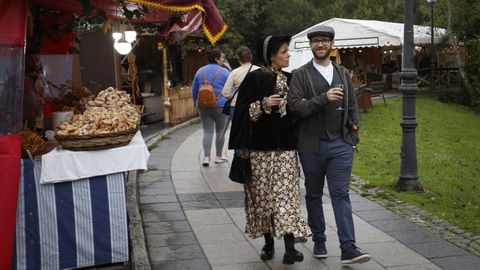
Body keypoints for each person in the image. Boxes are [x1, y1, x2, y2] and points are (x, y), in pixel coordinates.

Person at [287, 25, 370, 265]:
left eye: (324, 41)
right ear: (311, 46)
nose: (320, 45)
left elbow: (353, 107)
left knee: (340, 194)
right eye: (316, 41)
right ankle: (320, 239)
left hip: (340, 145)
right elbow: (295, 107)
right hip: (311, 146)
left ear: (332, 44)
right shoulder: (301, 75)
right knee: (313, 195)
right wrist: (323, 98)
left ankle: (348, 247)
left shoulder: (343, 73)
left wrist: (353, 137)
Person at [229, 36, 311, 265]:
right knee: (264, 199)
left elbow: (296, 112)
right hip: (260, 152)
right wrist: (263, 105)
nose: (288, 55)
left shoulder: (291, 78)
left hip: (285, 149)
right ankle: (268, 243)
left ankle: (289, 249)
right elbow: (241, 113)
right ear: (272, 55)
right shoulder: (254, 78)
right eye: (284, 51)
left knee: (287, 198)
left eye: (288, 51)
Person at [192, 49, 230, 166]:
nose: (223, 59)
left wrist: (196, 103)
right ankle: (219, 156)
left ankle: (206, 157)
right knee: (220, 132)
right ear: (216, 59)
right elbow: (230, 91)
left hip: (203, 105)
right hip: (220, 106)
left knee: (207, 131)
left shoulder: (200, 71)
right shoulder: (225, 72)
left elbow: (194, 90)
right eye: (222, 57)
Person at [221, 46, 260, 118]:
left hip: (237, 105)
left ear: (238, 58)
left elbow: (225, 92)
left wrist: (233, 97)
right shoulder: (260, 70)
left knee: (237, 129)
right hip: (255, 105)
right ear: (251, 56)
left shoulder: (234, 72)